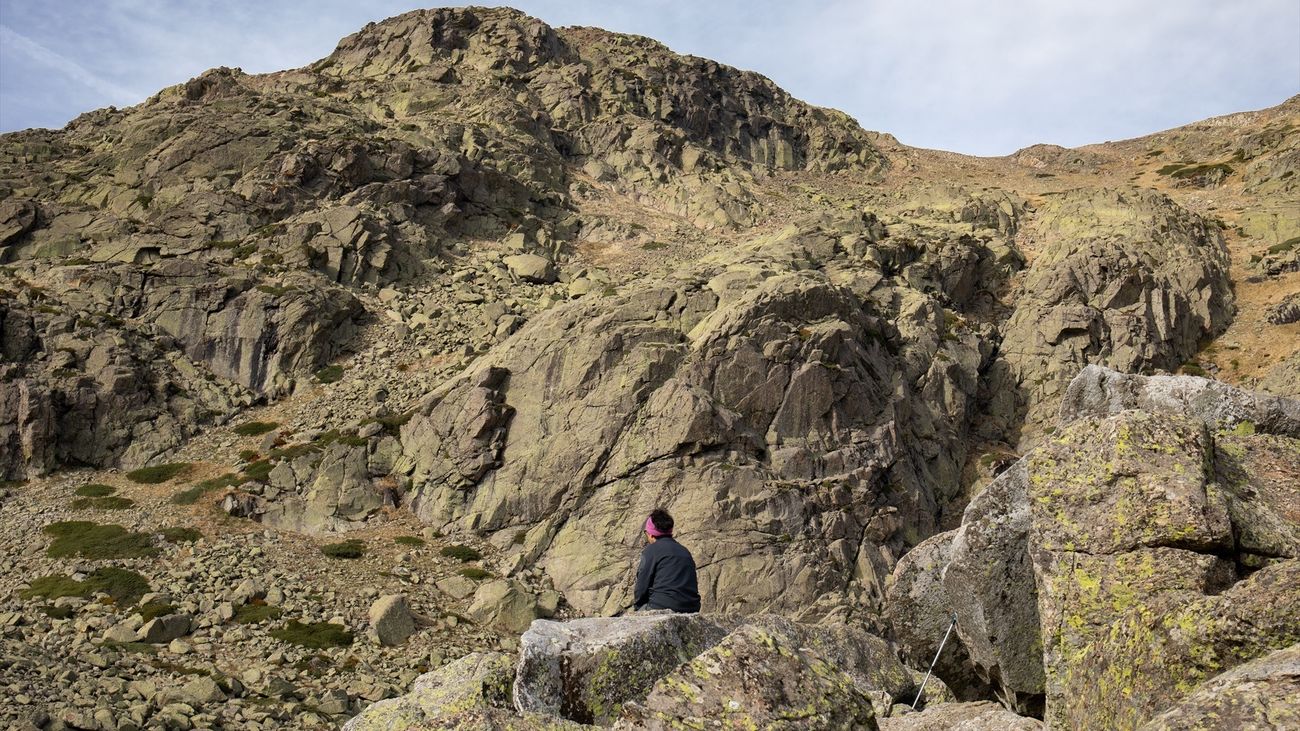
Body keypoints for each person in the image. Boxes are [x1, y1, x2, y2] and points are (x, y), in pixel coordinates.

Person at [633, 508, 701, 613]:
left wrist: (638, 607)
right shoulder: (684, 551)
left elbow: (642, 585)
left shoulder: (651, 550)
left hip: (662, 605)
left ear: (650, 534)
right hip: (691, 607)